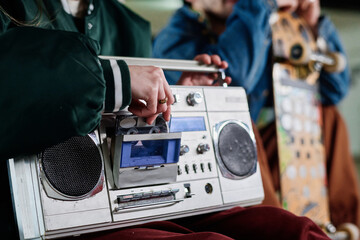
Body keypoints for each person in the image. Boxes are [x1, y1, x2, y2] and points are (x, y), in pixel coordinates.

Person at [0, 1, 332, 239]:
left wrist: (179, 99)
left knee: (295, 229)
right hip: (64, 216)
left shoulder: (128, 24)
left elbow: (140, 135)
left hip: (144, 205)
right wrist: (118, 82)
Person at [153, 0, 360, 229]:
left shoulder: (257, 24)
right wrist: (261, 3)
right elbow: (232, 85)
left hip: (247, 158)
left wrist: (313, 27)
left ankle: (345, 227)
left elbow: (335, 91)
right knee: (240, 120)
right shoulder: (174, 37)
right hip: (206, 167)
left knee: (328, 117)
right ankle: (276, 230)